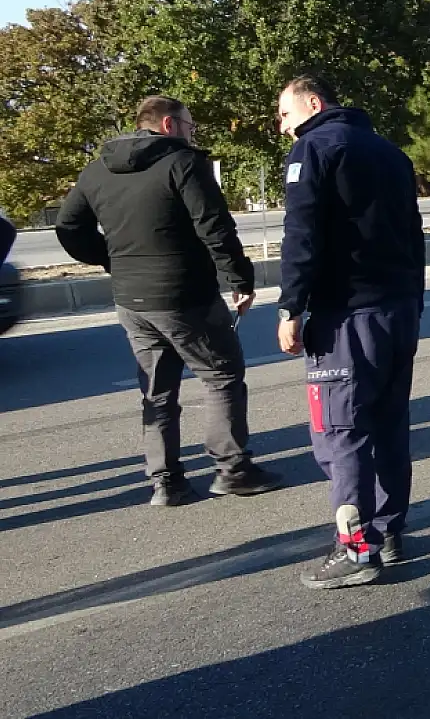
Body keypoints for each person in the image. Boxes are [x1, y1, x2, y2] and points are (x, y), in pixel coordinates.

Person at [54, 96, 282, 506]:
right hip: (184, 294)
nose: (193, 134)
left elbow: (69, 226)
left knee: (157, 391)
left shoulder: (97, 169)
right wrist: (239, 279)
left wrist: (111, 258)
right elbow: (214, 225)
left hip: (131, 299)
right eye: (190, 126)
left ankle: (166, 482)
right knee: (221, 375)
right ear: (168, 125)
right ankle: (233, 470)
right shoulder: (183, 163)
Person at [274, 74, 426, 590]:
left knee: (339, 432)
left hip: (345, 316)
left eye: (285, 115)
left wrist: (291, 306)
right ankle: (388, 530)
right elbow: (415, 234)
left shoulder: (313, 149)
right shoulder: (390, 152)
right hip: (397, 310)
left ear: (313, 105)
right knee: (388, 424)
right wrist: (414, 304)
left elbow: (302, 234)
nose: (283, 127)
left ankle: (356, 550)